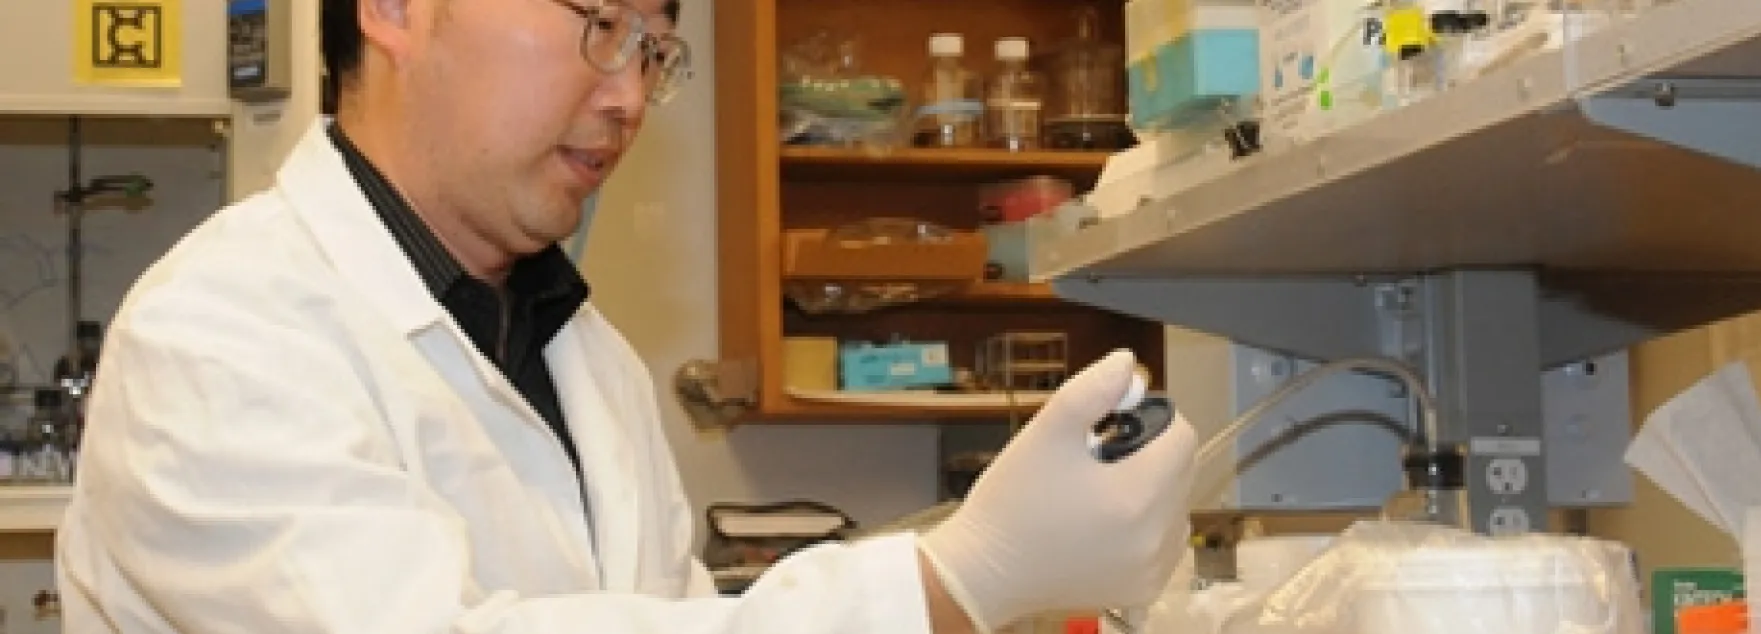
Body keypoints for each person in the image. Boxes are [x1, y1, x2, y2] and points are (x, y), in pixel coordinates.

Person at [53, 0, 1200, 633]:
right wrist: (951, 581)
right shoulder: (218, 336)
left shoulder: (587, 357)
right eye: (600, 23)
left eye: (657, 50)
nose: (630, 94)